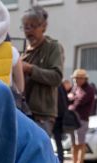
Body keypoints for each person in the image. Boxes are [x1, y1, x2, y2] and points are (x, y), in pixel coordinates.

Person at [21, 6, 64, 136]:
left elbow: (56, 77)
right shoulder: (23, 49)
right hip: (22, 111)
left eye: (33, 26)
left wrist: (29, 69)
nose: (29, 31)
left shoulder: (52, 47)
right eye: (25, 27)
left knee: (38, 153)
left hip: (42, 114)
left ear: (44, 26)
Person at [67, 69, 97, 163]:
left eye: (79, 78)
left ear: (84, 79)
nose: (76, 80)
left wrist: (72, 100)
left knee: (80, 142)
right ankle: (74, 162)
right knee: (73, 143)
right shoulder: (75, 88)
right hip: (73, 119)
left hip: (82, 119)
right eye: (75, 78)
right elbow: (70, 98)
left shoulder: (89, 90)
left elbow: (79, 102)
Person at [52, 81, 70, 163]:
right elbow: (66, 102)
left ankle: (60, 161)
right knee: (58, 141)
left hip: (55, 117)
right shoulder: (61, 86)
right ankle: (60, 161)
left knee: (56, 140)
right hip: (59, 116)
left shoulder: (55, 85)